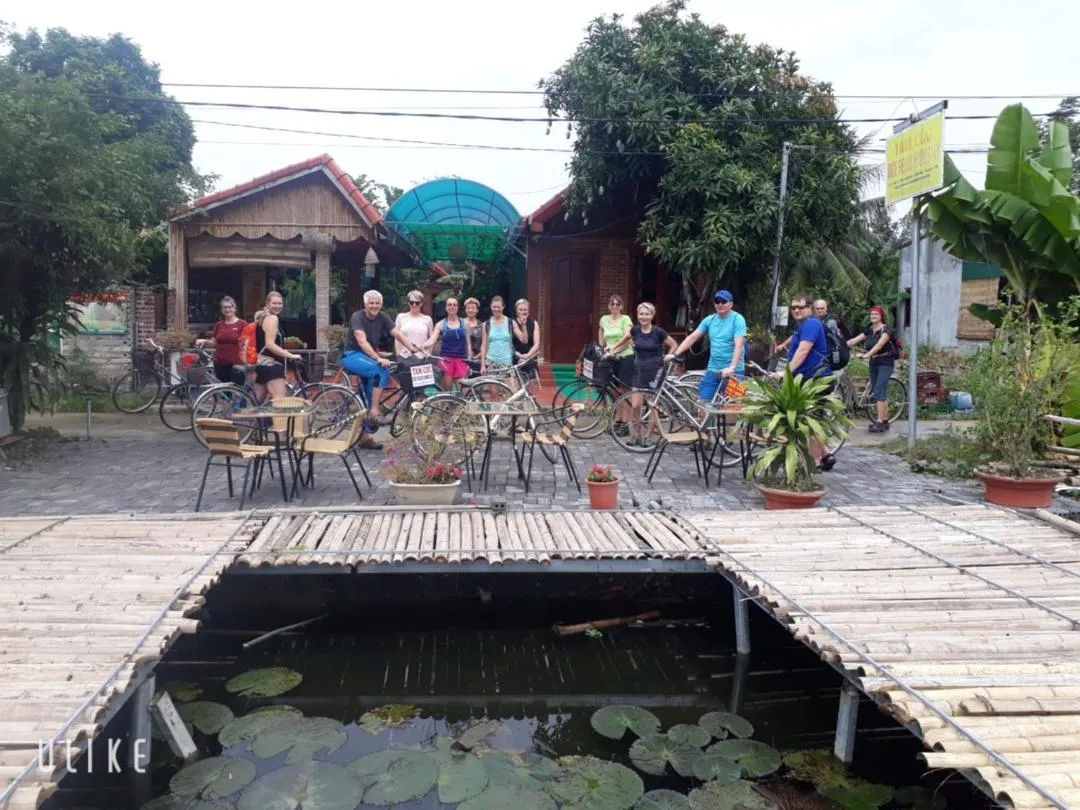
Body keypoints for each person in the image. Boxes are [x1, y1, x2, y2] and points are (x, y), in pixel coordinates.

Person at [341, 290, 423, 449]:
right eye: (371, 303)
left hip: (367, 357)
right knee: (381, 370)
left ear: (381, 304)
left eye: (377, 303)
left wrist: (413, 349)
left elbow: (398, 334)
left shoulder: (383, 317)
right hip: (352, 355)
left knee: (370, 392)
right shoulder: (357, 317)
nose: (374, 306)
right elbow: (362, 341)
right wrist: (378, 358)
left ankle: (365, 438)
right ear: (365, 304)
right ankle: (375, 411)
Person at [775, 292, 836, 470]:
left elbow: (803, 351)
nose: (796, 310)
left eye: (800, 307)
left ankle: (813, 464)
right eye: (793, 307)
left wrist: (785, 373)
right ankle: (826, 455)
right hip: (805, 380)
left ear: (809, 308)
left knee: (812, 419)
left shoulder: (811, 325)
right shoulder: (802, 326)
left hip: (816, 380)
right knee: (805, 418)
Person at [605, 302, 676, 446]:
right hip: (638, 369)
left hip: (655, 370)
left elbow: (674, 344)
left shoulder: (658, 332)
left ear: (652, 316)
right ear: (638, 316)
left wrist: (670, 355)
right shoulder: (635, 331)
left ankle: (648, 437)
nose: (644, 317)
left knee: (652, 405)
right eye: (641, 314)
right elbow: (622, 342)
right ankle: (635, 435)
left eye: (647, 314)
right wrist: (611, 350)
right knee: (636, 404)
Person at [667, 289, 746, 402]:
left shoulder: (738, 320)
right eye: (717, 301)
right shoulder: (710, 320)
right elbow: (692, 337)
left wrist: (732, 367)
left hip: (734, 371)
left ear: (731, 304)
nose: (720, 304)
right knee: (704, 403)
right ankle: (707, 420)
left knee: (734, 407)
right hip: (714, 369)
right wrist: (675, 354)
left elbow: (739, 345)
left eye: (724, 301)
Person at [848, 305, 899, 433]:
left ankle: (880, 421)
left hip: (885, 363)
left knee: (878, 391)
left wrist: (866, 355)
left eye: (876, 314)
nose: (873, 316)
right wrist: (842, 344)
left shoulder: (886, 330)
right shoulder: (870, 330)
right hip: (874, 363)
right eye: (871, 314)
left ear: (881, 316)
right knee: (878, 391)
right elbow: (854, 340)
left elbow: (879, 345)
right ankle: (885, 419)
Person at [253, 291, 303, 403]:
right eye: (274, 303)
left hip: (261, 363)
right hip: (271, 365)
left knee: (256, 404)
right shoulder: (272, 319)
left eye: (280, 303)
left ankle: (252, 420)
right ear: (267, 304)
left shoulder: (263, 318)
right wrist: (291, 355)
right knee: (280, 403)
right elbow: (269, 344)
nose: (277, 306)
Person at [196, 296, 246, 385]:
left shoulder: (242, 324)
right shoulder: (219, 325)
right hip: (220, 363)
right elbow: (214, 343)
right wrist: (204, 341)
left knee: (237, 391)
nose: (227, 310)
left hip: (237, 364)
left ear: (235, 308)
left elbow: (247, 343)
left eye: (230, 307)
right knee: (223, 393)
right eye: (224, 307)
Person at [423, 297, 470, 390]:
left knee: (463, 392)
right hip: (446, 361)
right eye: (449, 305)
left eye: (454, 305)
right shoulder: (440, 324)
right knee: (447, 392)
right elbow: (433, 339)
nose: (452, 307)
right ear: (446, 308)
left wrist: (470, 362)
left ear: (457, 307)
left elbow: (468, 344)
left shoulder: (465, 323)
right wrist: (424, 345)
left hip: (462, 360)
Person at [598, 295, 634, 387]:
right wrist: (601, 347)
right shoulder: (604, 319)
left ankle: (623, 402)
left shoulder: (625, 319)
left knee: (623, 387)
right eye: (612, 304)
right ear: (609, 306)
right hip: (609, 357)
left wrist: (613, 349)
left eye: (618, 304)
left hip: (624, 356)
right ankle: (612, 402)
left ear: (621, 306)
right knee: (609, 387)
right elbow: (601, 331)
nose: (615, 306)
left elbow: (628, 337)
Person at [511, 298, 541, 392]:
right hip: (516, 358)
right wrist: (518, 355)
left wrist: (527, 356)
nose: (523, 312)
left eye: (525, 310)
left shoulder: (534, 323)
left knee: (530, 388)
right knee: (516, 389)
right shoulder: (511, 323)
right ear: (516, 310)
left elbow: (536, 344)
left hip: (530, 357)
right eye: (520, 309)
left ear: (528, 311)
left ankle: (528, 405)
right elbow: (509, 343)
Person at [394, 290, 434, 359]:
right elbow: (397, 338)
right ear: (408, 303)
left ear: (421, 304)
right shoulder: (400, 317)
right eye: (411, 302)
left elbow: (432, 339)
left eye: (417, 303)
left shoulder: (427, 319)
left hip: (422, 357)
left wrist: (428, 354)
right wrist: (398, 355)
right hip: (404, 356)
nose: (414, 305)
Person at [480, 296, 512, 375]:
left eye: (499, 307)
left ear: (503, 307)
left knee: (510, 387)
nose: (496, 309)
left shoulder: (510, 322)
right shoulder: (486, 324)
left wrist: (523, 325)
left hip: (506, 363)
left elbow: (523, 339)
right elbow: (483, 345)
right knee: (493, 387)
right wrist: (483, 365)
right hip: (491, 363)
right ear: (491, 306)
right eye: (494, 307)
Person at [463, 297, 484, 375]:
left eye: (473, 308)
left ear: (477, 310)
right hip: (463, 358)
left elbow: (485, 343)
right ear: (465, 309)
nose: (470, 310)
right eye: (468, 308)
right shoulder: (460, 323)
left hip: (479, 359)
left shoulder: (482, 325)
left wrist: (478, 356)